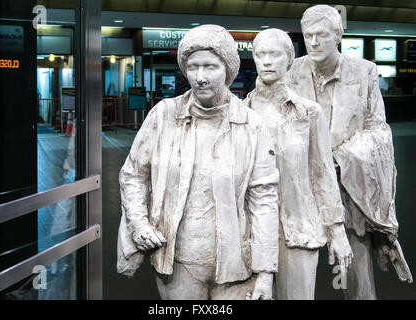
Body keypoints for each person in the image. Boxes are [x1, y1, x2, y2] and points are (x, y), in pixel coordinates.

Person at [117, 24, 280, 300]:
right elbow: (133, 175)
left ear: (228, 70)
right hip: (178, 262)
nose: (200, 77)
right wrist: (139, 224)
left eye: (210, 67)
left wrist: (266, 273)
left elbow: (264, 199)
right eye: (193, 67)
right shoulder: (164, 116)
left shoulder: (251, 125)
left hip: (237, 264)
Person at [286, 5, 412, 299]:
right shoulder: (291, 72)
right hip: (300, 185)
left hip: (348, 185)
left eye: (321, 35)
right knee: (296, 271)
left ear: (338, 35)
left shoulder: (363, 71)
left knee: (356, 274)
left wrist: (340, 157)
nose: (314, 42)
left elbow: (378, 129)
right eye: (308, 36)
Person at [244, 28, 353, 300]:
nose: (267, 61)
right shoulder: (241, 114)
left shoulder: (308, 113)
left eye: (275, 54)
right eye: (260, 55)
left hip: (298, 227)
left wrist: (337, 231)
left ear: (289, 58)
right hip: (250, 232)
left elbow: (323, 174)